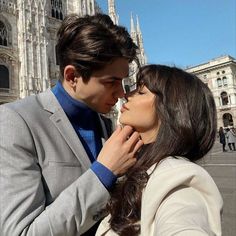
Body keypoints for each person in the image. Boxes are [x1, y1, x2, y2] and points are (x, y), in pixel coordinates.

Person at [0, 14, 143, 236]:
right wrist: (103, 173)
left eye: (123, 81)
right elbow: (20, 232)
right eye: (111, 82)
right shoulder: (16, 122)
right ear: (73, 76)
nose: (122, 92)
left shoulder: (106, 125)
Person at [96, 65, 223, 236]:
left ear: (171, 108)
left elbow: (183, 221)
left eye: (140, 92)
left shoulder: (178, 180)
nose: (125, 94)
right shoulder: (144, 167)